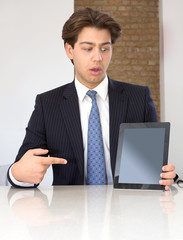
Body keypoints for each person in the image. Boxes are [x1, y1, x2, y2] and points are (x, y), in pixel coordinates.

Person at [7, 8, 176, 190]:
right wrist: (17, 173)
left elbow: (153, 170)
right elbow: (24, 167)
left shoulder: (139, 98)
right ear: (69, 50)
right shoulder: (47, 104)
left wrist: (166, 177)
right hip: (69, 212)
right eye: (88, 48)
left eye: (105, 48)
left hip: (128, 209)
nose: (98, 57)